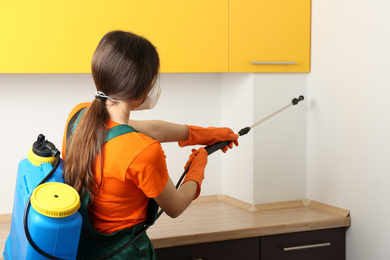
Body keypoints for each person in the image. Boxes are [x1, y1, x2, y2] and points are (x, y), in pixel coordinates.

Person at [62, 30, 239, 260]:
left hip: (79, 248)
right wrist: (198, 167)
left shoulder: (81, 115)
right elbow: (175, 206)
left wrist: (204, 134)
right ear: (141, 87)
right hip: (125, 254)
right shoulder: (142, 151)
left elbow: (151, 128)